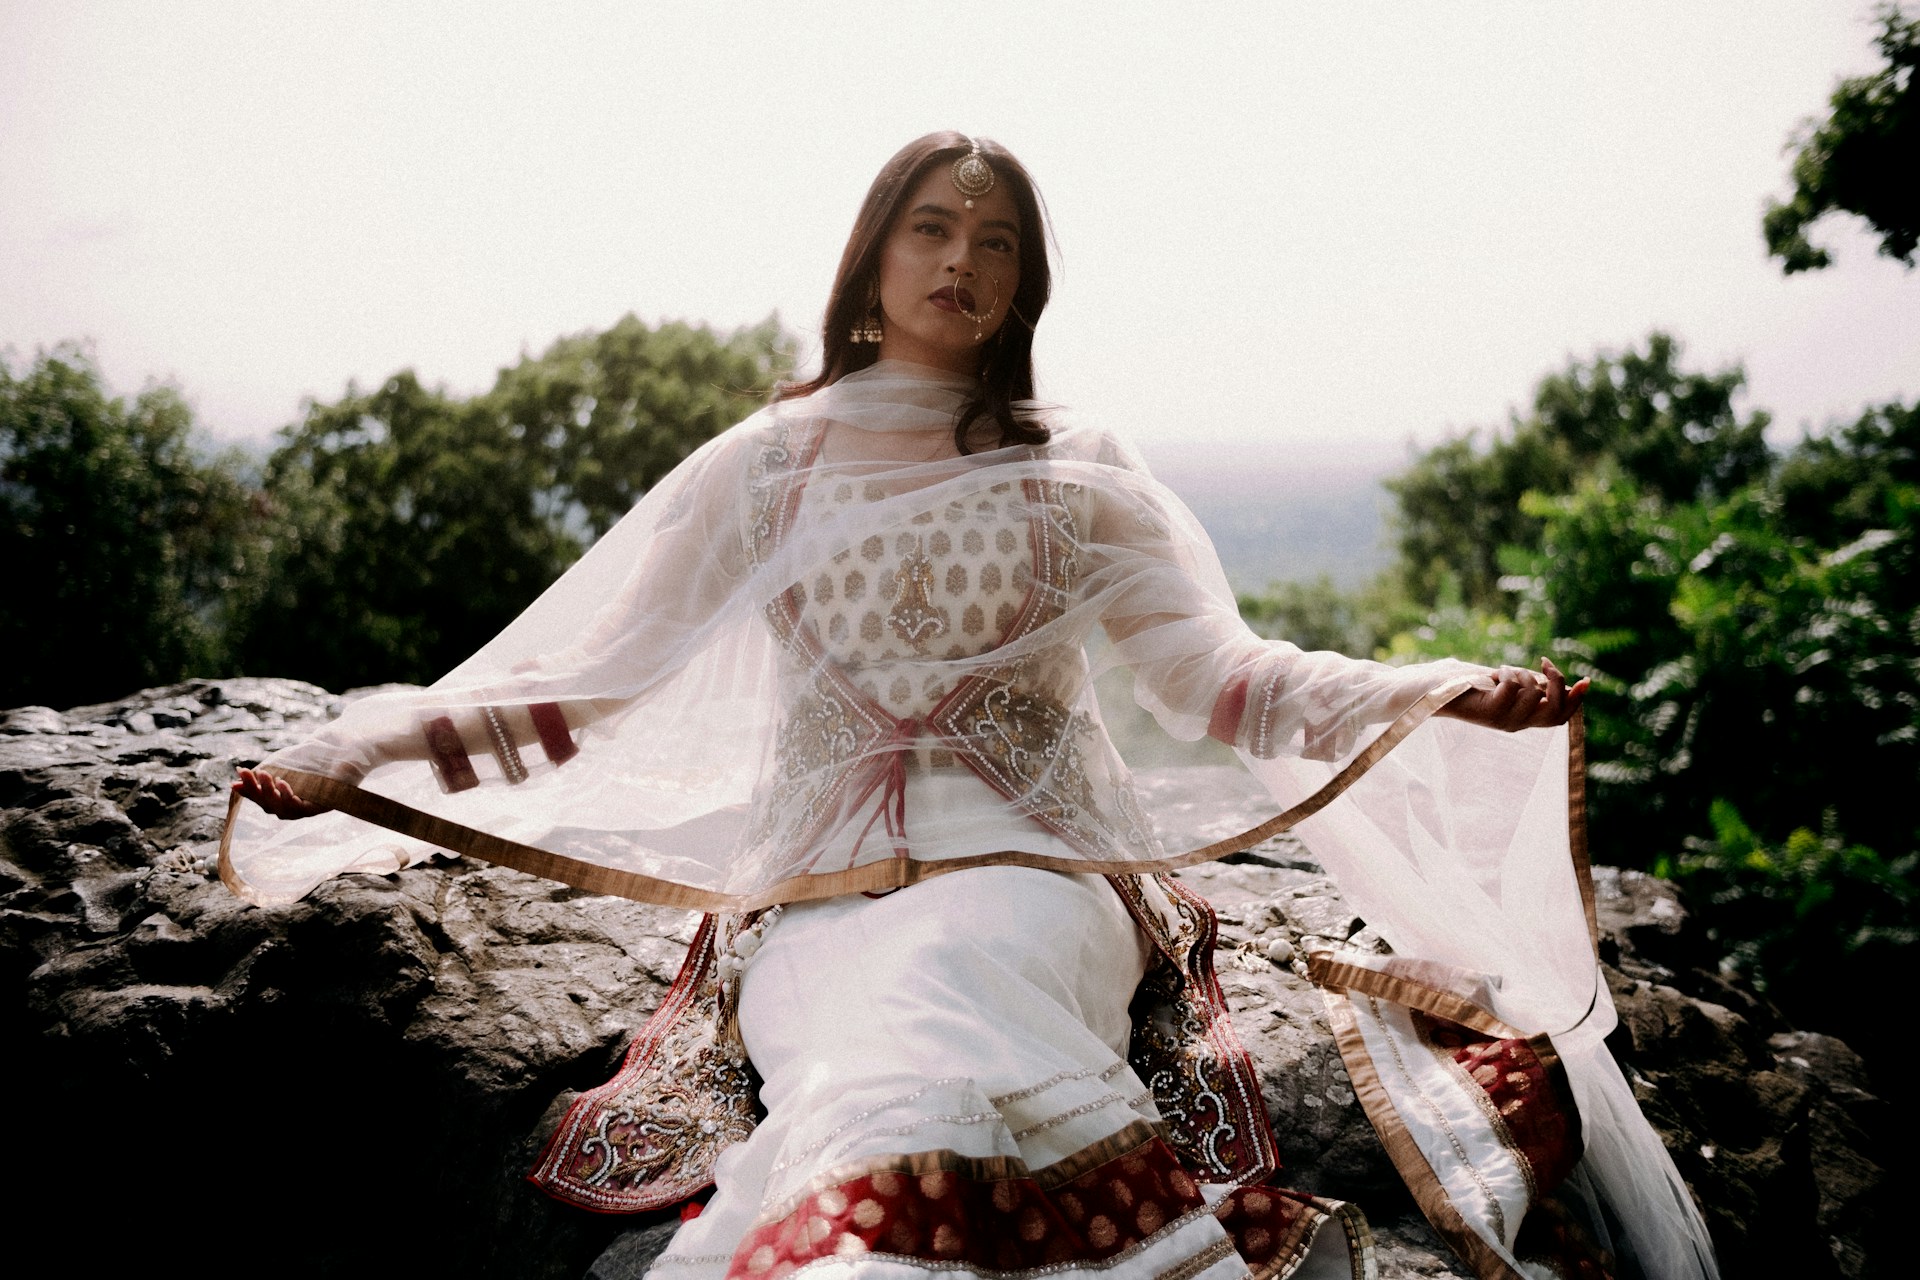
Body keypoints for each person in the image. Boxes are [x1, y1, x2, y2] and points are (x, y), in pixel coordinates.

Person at [228, 133, 1716, 1280]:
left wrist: (1436, 692)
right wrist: (348, 749)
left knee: (949, 999)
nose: (964, 260)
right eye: (932, 228)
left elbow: (1226, 682)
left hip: (1037, 873)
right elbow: (588, 683)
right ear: (871, 256)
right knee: (862, 1036)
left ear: (1026, 282)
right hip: (813, 897)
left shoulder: (1072, 470)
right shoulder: (769, 464)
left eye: (996, 240)